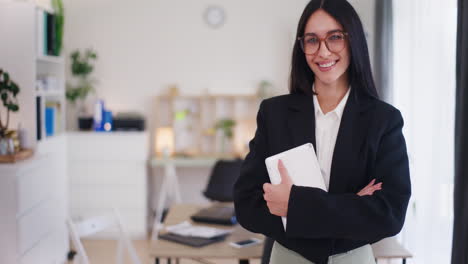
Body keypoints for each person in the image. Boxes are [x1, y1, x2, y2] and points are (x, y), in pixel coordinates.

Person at [233, 0, 411, 263]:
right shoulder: (274, 114)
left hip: (352, 258)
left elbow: (390, 214)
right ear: (301, 46)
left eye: (335, 37)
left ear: (354, 41)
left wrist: (294, 205)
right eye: (312, 40)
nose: (323, 52)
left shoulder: (383, 120)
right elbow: (247, 204)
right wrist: (350, 205)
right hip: (289, 257)